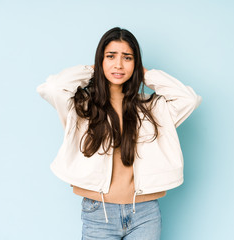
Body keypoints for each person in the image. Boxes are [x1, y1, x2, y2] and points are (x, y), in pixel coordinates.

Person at [36, 27, 202, 240]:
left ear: (136, 63)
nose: (118, 64)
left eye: (127, 58)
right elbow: (52, 88)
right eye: (110, 56)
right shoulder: (82, 107)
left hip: (145, 214)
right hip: (98, 213)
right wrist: (94, 70)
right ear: (100, 60)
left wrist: (146, 75)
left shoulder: (153, 109)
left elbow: (189, 99)